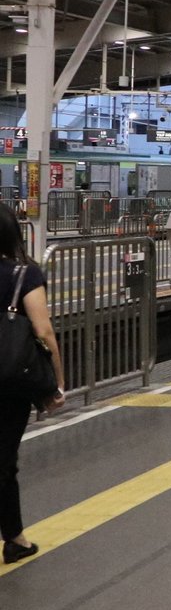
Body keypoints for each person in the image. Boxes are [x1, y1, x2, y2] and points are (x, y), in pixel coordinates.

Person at [0, 203, 65, 565]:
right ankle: (14, 539)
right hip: (9, 381)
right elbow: (43, 331)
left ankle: (15, 537)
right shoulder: (24, 275)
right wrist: (56, 382)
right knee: (4, 460)